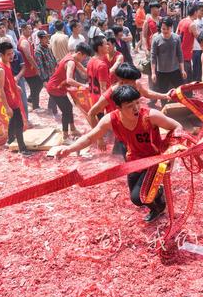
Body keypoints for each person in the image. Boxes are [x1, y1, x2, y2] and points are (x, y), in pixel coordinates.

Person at [55, 85, 183, 222]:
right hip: (133, 162)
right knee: (138, 198)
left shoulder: (150, 116)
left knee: (138, 197)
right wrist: (69, 149)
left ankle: (158, 205)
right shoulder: (111, 120)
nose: (136, 108)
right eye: (129, 105)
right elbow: (89, 137)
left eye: (137, 103)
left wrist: (172, 151)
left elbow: (177, 127)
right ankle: (157, 194)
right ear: (118, 107)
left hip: (155, 161)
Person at [47, 43, 93, 139]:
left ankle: (72, 128)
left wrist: (93, 74)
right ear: (79, 53)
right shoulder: (71, 62)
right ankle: (65, 135)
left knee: (69, 107)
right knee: (66, 110)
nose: (84, 59)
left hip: (60, 87)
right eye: (84, 57)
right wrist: (84, 85)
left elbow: (84, 70)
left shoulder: (73, 57)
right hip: (55, 88)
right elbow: (69, 80)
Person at [0, 42, 30, 156]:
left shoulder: (7, 63)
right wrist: (7, 107)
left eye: (12, 53)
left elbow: (9, 80)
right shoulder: (0, 69)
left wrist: (16, 86)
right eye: (8, 54)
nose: (12, 56)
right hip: (9, 100)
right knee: (19, 123)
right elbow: (0, 90)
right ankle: (22, 149)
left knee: (13, 120)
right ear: (2, 54)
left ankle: (9, 140)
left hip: (13, 95)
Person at [151, 17, 186, 106]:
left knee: (180, 91)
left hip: (175, 70)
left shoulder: (176, 38)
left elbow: (180, 54)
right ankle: (164, 109)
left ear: (171, 28)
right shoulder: (156, 39)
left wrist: (182, 70)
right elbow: (153, 57)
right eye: (163, 29)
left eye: (167, 28)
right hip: (161, 72)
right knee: (163, 93)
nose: (165, 31)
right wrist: (153, 73)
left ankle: (179, 107)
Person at [18, 23, 42, 111]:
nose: (30, 30)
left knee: (36, 85)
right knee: (37, 85)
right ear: (23, 30)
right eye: (28, 29)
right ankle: (35, 105)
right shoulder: (24, 41)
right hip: (29, 69)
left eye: (31, 28)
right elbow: (28, 56)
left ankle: (31, 100)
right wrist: (36, 67)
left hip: (29, 68)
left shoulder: (25, 40)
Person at [34, 30, 58, 117]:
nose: (47, 39)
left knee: (54, 92)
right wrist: (44, 80)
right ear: (40, 39)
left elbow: (53, 58)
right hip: (47, 76)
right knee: (53, 93)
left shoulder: (48, 47)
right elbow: (40, 67)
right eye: (45, 37)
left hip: (53, 73)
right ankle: (52, 110)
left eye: (47, 37)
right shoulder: (38, 51)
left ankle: (51, 109)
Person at [177, 4, 199, 82]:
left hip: (178, 53)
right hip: (186, 55)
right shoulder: (192, 24)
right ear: (195, 12)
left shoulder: (181, 21)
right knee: (186, 80)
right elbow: (199, 37)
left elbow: (176, 36)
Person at [87, 36, 110, 106]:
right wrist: (105, 105)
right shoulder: (102, 65)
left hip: (93, 98)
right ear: (100, 48)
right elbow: (103, 88)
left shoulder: (90, 61)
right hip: (101, 102)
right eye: (106, 44)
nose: (108, 46)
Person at [193, 2, 203, 82]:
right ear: (197, 11)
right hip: (195, 47)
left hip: (202, 47)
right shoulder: (194, 21)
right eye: (202, 10)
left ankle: (201, 79)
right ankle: (195, 81)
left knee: (202, 64)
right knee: (196, 66)